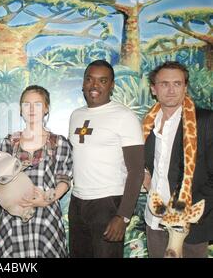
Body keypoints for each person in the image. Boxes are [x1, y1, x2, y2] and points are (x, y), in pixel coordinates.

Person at [68, 60, 144, 258]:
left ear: (112, 85)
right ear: (83, 83)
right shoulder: (76, 116)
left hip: (107, 203)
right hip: (77, 202)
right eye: (89, 79)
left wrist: (123, 215)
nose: (95, 85)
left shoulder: (124, 116)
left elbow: (136, 171)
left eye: (102, 81)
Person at [0, 85, 73, 258]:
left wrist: (47, 199)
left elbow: (64, 179)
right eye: (26, 104)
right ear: (20, 109)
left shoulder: (59, 143)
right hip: (14, 219)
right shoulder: (9, 143)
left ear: (46, 108)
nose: (31, 109)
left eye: (37, 104)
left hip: (46, 218)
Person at [142, 61, 213, 258]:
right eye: (164, 84)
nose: (171, 90)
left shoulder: (205, 121)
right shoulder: (146, 125)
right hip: (155, 221)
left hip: (191, 225)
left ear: (185, 87)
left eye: (177, 83)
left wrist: (191, 212)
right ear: (153, 89)